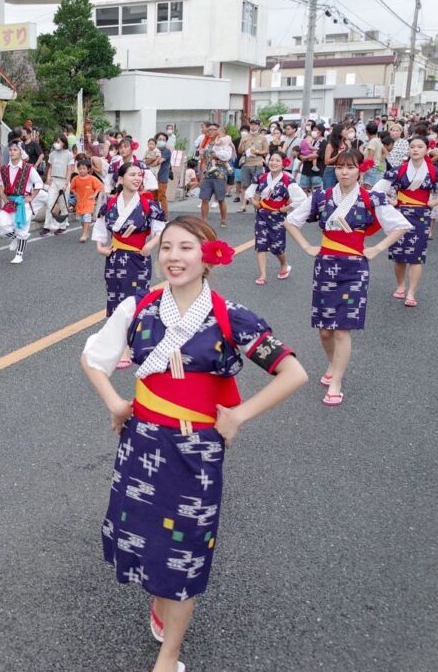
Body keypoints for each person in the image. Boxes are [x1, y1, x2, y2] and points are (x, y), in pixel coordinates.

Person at [80, 216, 307, 672]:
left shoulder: (230, 315)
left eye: (186, 248)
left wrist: (239, 415)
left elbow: (294, 373)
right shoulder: (139, 307)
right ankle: (160, 602)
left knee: (183, 552)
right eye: (166, 248)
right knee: (144, 537)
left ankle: (170, 655)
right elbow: (92, 357)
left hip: (196, 450)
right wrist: (115, 403)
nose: (174, 257)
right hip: (141, 442)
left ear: (209, 256)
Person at [284, 150, 411, 405]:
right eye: (340, 167)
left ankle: (337, 380)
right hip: (326, 265)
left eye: (350, 167)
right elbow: (290, 221)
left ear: (359, 170)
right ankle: (332, 364)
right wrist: (308, 247)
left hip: (354, 268)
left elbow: (401, 225)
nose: (344, 172)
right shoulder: (321, 196)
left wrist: (376, 248)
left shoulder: (371, 198)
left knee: (342, 330)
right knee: (324, 331)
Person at [372, 136, 438, 305]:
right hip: (399, 214)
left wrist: (434, 202)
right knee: (399, 255)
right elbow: (377, 189)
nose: (415, 150)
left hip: (421, 215)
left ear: (427, 149)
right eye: (412, 146)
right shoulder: (398, 170)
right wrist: (392, 201)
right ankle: (400, 285)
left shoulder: (434, 171)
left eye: (420, 146)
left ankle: (411, 293)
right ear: (408, 149)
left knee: (416, 255)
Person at [92, 162, 165, 360]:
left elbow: (160, 231)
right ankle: (118, 340)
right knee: (115, 297)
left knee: (135, 299)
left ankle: (129, 345)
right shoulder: (109, 204)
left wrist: (150, 246)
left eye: (139, 175)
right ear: (121, 179)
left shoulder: (149, 205)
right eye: (132, 174)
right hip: (115, 258)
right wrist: (101, 248)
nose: (137, 178)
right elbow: (99, 227)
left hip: (138, 258)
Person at [245, 151, 306, 285]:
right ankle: (263, 275)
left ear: (283, 163)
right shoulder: (261, 177)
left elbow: (302, 198)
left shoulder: (287, 180)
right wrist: (252, 200)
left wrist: (287, 208)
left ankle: (284, 264)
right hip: (262, 214)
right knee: (261, 244)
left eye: (277, 161)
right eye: (271, 160)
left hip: (278, 216)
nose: (273, 163)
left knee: (276, 247)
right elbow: (249, 191)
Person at [0, 140, 45, 264]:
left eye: (15, 150)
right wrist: (3, 196)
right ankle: (16, 239)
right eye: (10, 150)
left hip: (23, 203)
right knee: (3, 225)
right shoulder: (4, 169)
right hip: (9, 202)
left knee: (22, 230)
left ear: (21, 152)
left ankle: (19, 254)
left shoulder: (28, 168)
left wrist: (32, 197)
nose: (12, 152)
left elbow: (39, 183)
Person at [199, 124, 233, 227]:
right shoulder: (207, 144)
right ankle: (204, 221)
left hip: (220, 174)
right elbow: (204, 160)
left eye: (213, 130)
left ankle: (223, 220)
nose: (210, 132)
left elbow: (227, 156)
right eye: (208, 130)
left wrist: (216, 155)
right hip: (208, 174)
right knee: (204, 198)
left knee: (220, 199)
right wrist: (203, 173)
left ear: (218, 131)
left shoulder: (224, 142)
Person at [42, 134, 75, 236]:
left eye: (59, 141)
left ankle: (62, 227)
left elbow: (69, 170)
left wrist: (66, 183)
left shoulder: (69, 154)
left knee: (63, 205)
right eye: (56, 141)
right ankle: (46, 227)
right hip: (54, 181)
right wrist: (48, 177)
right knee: (50, 204)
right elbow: (50, 167)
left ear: (64, 143)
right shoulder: (52, 154)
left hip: (64, 181)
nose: (56, 143)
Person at [238, 119, 268, 213]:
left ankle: (256, 205)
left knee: (256, 185)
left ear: (259, 126)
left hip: (257, 163)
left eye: (255, 125)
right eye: (252, 124)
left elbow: (266, 151)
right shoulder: (245, 137)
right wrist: (243, 142)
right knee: (244, 185)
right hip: (246, 163)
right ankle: (243, 205)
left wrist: (257, 152)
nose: (253, 126)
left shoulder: (263, 137)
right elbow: (240, 151)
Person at [71, 158, 104, 243]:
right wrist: (76, 194)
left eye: (84, 168)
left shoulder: (92, 178)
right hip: (80, 202)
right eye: (80, 169)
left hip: (89, 202)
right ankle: (86, 232)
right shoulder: (75, 179)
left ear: (88, 169)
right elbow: (72, 188)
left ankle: (84, 234)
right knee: (82, 219)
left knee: (86, 217)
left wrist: (95, 194)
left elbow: (100, 186)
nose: (81, 170)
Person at [153, 132, 173, 216]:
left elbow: (158, 162)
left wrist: (152, 159)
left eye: (163, 140)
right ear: (156, 140)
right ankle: (154, 214)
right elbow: (145, 160)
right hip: (153, 177)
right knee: (153, 197)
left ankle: (165, 215)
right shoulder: (153, 150)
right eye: (159, 139)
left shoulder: (166, 151)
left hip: (162, 177)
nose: (161, 141)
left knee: (161, 196)